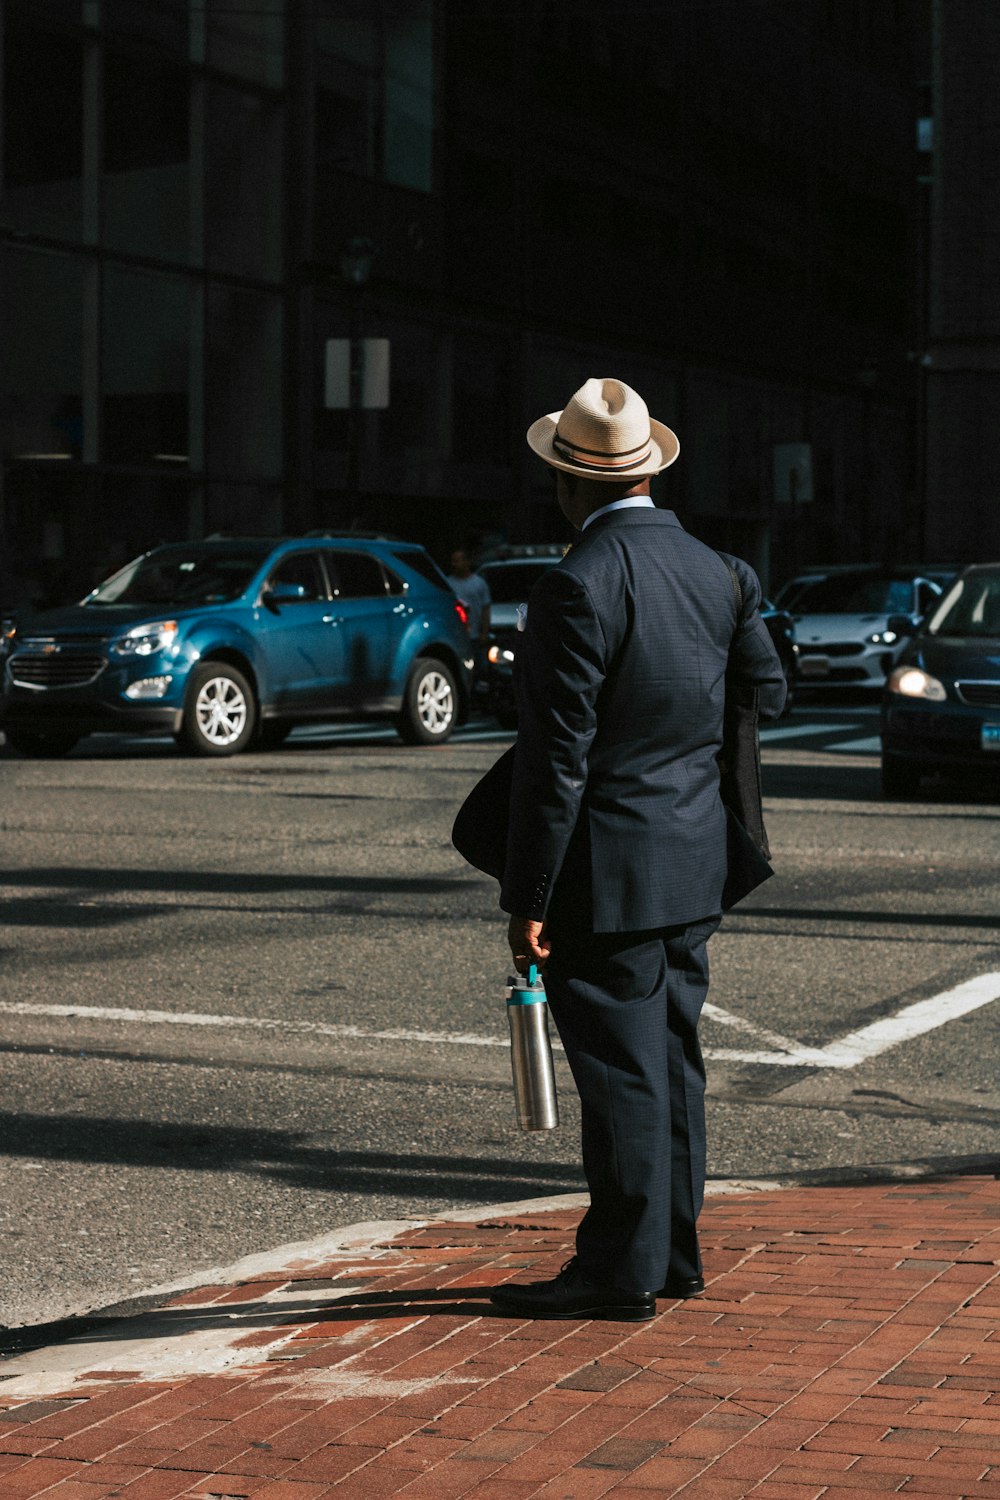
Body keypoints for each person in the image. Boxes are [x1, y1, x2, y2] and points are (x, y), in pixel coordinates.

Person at [489, 377, 786, 1322]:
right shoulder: (723, 572)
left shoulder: (575, 584)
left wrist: (526, 893)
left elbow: (556, 758)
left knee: (619, 1073)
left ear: (570, 484)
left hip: (604, 869)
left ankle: (619, 1270)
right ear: (649, 471)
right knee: (673, 1061)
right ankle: (676, 1255)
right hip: (695, 857)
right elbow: (767, 693)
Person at [446, 549, 491, 677]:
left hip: (475, 635)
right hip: (456, 635)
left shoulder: (479, 583)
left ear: (467, 562)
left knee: (480, 667)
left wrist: (484, 632)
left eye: (458, 561)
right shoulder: (448, 583)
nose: (455, 564)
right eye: (453, 561)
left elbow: (486, 609)